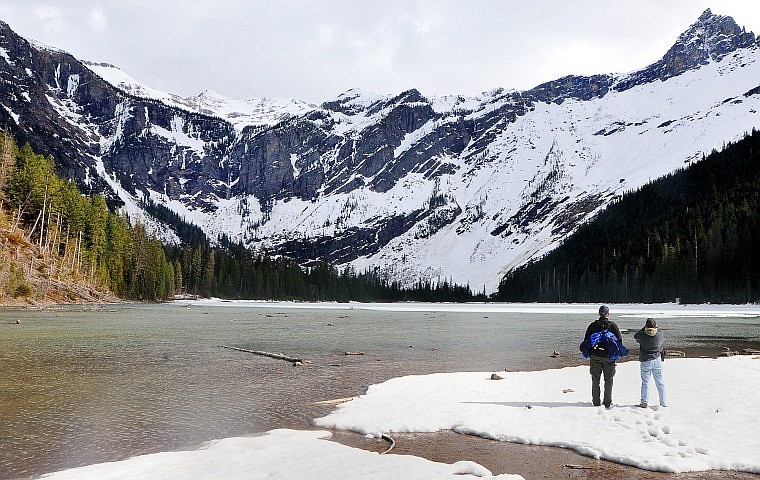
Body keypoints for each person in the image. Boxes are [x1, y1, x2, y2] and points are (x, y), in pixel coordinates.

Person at [580, 305, 625, 409]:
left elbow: (586, 341)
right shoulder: (613, 326)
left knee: (595, 379)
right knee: (608, 380)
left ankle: (596, 402)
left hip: (595, 356)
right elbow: (619, 341)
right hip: (609, 357)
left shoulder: (592, 326)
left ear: (599, 314)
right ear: (608, 314)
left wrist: (590, 353)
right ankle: (607, 403)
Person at [634, 318, 666, 408]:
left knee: (645, 383)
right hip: (657, 360)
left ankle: (644, 402)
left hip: (646, 360)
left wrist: (643, 328)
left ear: (646, 325)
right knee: (660, 382)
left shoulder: (642, 334)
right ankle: (663, 402)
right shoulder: (660, 334)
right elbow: (663, 336)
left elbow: (635, 336)